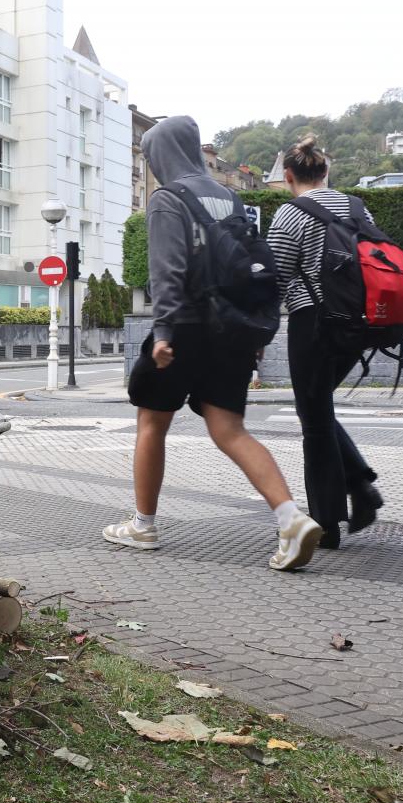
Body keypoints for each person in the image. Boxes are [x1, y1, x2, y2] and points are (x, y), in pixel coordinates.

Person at [103, 116, 324, 571]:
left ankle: (143, 525)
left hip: (184, 328)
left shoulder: (167, 198)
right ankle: (291, 519)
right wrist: (256, 333)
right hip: (232, 331)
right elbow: (250, 264)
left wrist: (162, 333)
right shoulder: (231, 196)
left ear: (162, 153)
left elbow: (168, 271)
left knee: (151, 424)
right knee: (230, 431)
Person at [267, 136, 383, 548]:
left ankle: (328, 522)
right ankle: (359, 484)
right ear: (326, 171)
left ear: (288, 176)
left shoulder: (290, 212)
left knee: (314, 418)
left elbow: (276, 279)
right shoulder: (355, 206)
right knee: (317, 408)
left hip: (313, 321)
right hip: (358, 324)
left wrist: (258, 333)